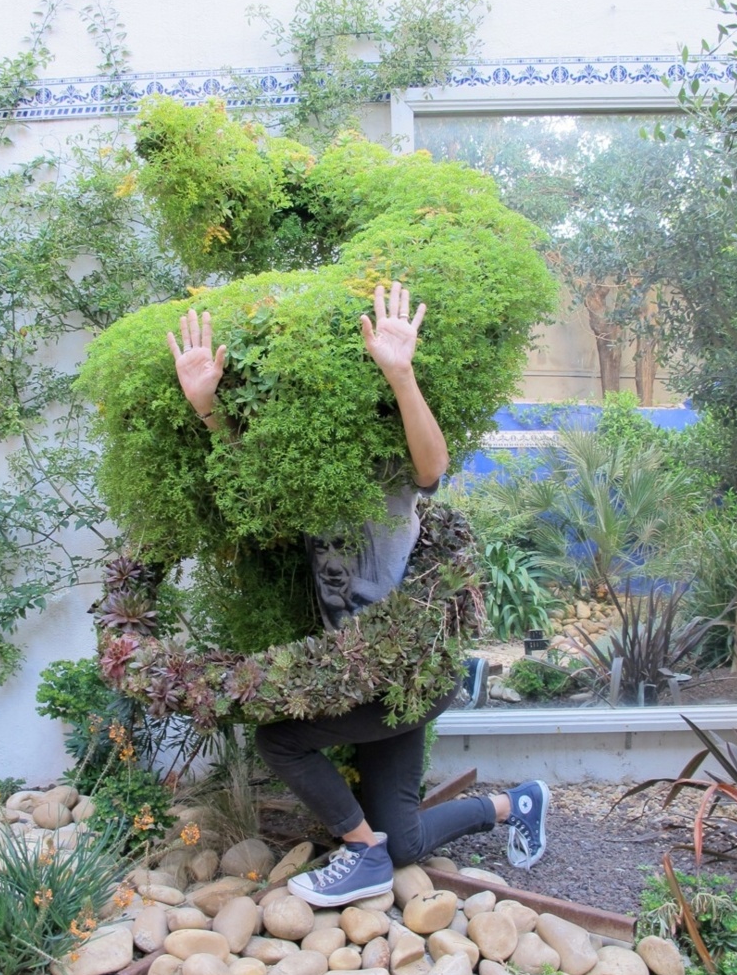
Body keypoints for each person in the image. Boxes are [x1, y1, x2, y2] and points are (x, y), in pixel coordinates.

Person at [167, 282, 549, 907]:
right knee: (406, 839)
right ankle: (517, 803)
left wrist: (401, 374)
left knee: (280, 740)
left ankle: (359, 853)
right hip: (362, 675)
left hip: (412, 675)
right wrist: (208, 408)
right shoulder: (310, 479)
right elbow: (257, 488)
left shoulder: (385, 465)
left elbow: (433, 468)